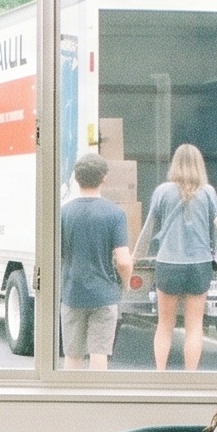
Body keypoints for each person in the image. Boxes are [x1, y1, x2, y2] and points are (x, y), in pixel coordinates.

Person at [140, 144, 217, 371]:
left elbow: (149, 227)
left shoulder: (162, 191)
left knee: (164, 325)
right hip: (199, 263)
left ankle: (160, 374)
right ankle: (190, 376)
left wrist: (138, 255)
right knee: (194, 326)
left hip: (168, 263)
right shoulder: (207, 192)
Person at [58, 154, 130, 370]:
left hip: (72, 293)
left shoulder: (64, 213)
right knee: (99, 354)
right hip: (104, 295)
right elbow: (124, 261)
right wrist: (124, 284)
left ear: (76, 179)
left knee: (72, 356)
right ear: (103, 178)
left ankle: (71, 402)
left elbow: (59, 253)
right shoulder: (115, 214)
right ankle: (96, 400)